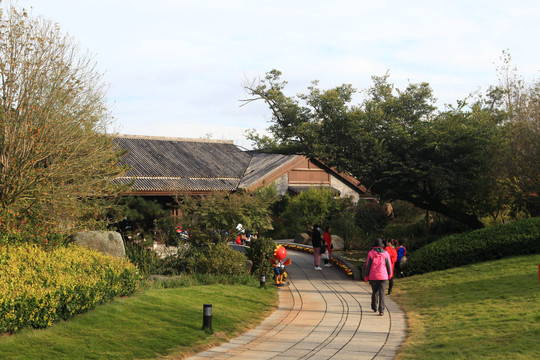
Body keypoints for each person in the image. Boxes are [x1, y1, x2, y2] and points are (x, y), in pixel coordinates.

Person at [364, 238, 392, 316]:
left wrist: (366, 276)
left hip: (374, 276)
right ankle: (381, 310)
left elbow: (368, 266)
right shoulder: (386, 253)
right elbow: (388, 265)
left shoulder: (371, 253)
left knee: (375, 292)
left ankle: (374, 307)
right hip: (383, 276)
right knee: (382, 293)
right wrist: (390, 275)